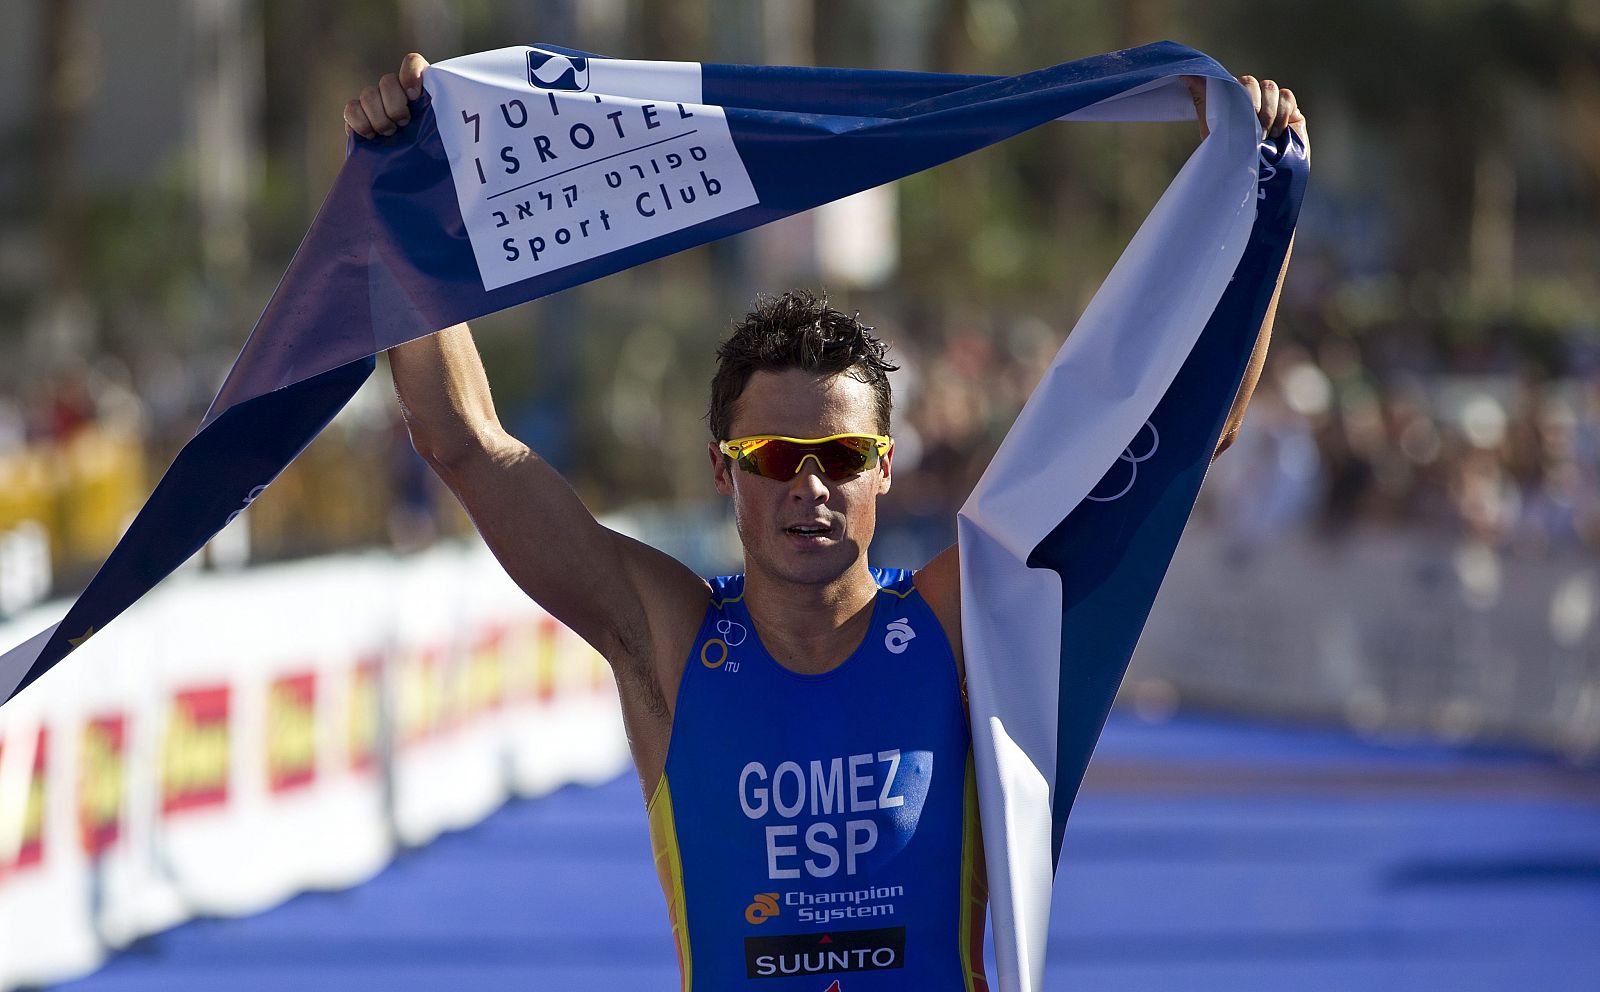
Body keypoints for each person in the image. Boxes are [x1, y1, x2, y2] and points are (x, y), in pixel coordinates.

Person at [346, 51, 1304, 991]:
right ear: (721, 472)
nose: (810, 486)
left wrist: (1259, 202)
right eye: (771, 458)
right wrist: (407, 201)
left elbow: (1186, 437)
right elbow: (466, 444)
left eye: (842, 457)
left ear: (884, 470)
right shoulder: (669, 642)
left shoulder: (957, 625)